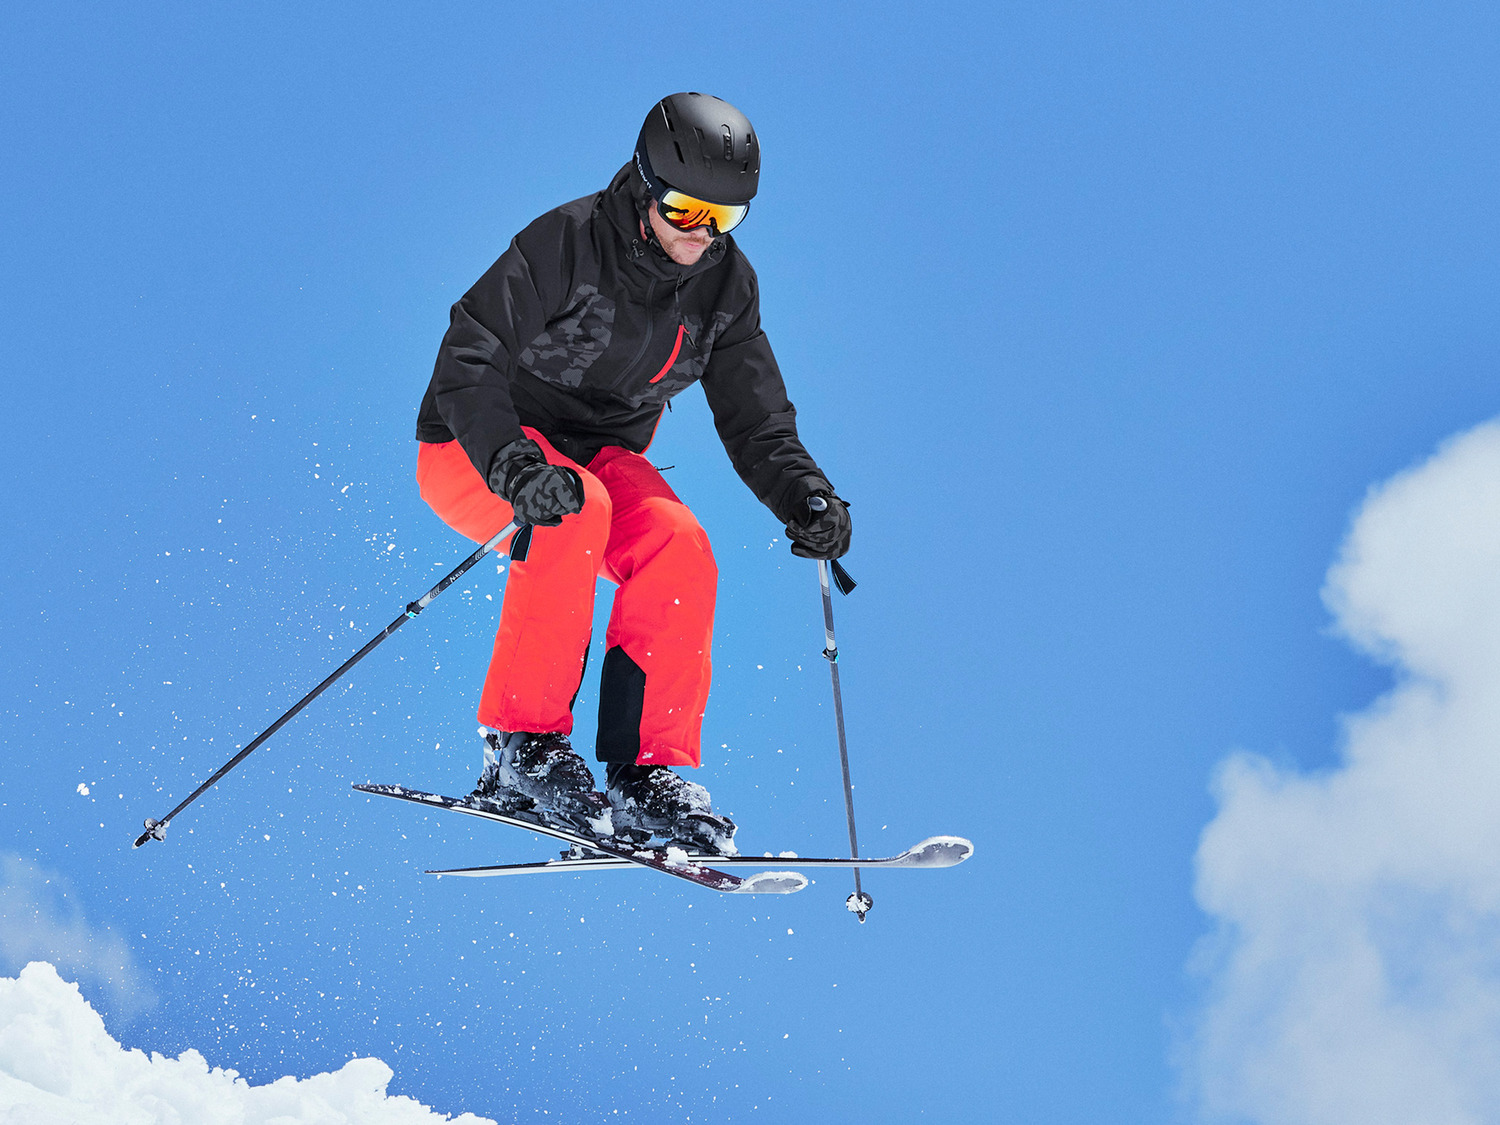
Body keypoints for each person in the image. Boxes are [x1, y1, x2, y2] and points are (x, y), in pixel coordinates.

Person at [414, 92, 851, 854]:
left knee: (679, 543)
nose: (699, 234)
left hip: (592, 458)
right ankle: (523, 746)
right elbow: (469, 352)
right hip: (476, 444)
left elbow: (756, 419)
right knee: (575, 507)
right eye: (684, 210)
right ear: (648, 186)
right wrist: (513, 464)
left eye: (722, 218)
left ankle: (645, 775)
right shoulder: (569, 242)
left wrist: (804, 493)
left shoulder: (725, 288)